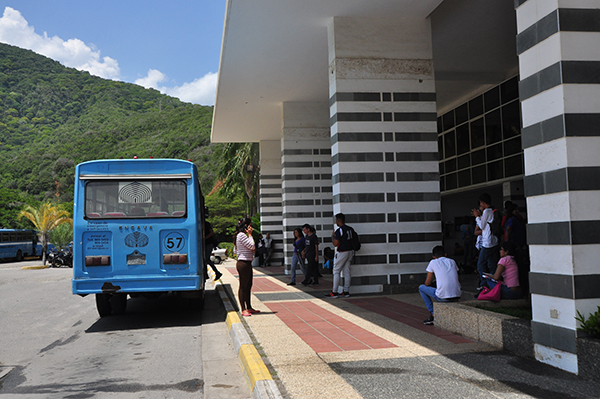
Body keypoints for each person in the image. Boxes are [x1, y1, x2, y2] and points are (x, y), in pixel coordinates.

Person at [419, 245, 462, 325]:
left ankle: (433, 314)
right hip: (457, 295)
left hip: (444, 297)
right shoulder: (452, 261)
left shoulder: (433, 262)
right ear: (445, 254)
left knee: (421, 288)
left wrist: (433, 283)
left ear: (434, 257)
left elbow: (427, 283)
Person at [472, 193, 499, 290]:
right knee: (492, 263)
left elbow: (482, 226)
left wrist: (477, 216)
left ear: (483, 202)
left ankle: (484, 284)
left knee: (481, 264)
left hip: (487, 243)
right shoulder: (492, 210)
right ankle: (493, 283)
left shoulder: (487, 211)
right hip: (494, 241)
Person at [234, 218, 260, 317]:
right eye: (250, 225)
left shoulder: (241, 236)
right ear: (246, 226)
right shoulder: (241, 235)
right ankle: (243, 308)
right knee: (243, 286)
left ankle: (249, 306)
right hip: (243, 263)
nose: (251, 228)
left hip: (247, 262)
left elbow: (237, 250)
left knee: (248, 285)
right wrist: (250, 235)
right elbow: (252, 246)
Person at [326, 213, 354, 298]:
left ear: (338, 220)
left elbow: (335, 243)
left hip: (342, 252)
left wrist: (333, 236)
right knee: (347, 271)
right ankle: (346, 291)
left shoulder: (340, 230)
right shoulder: (350, 229)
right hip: (350, 251)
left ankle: (334, 292)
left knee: (336, 271)